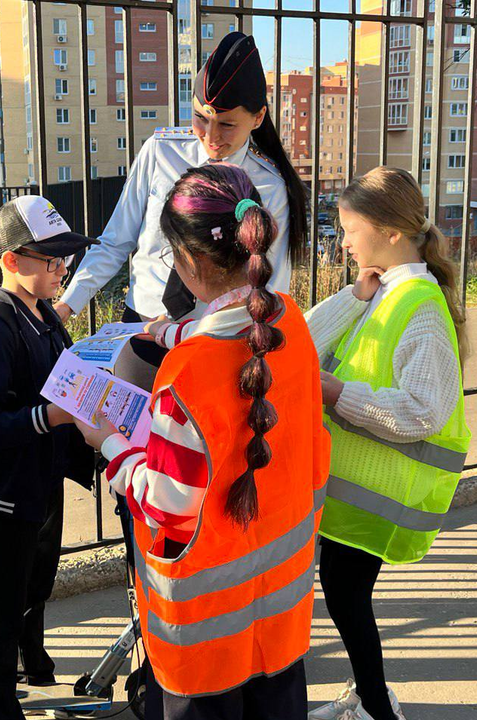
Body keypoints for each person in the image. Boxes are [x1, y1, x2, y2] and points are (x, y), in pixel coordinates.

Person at [78, 163, 330, 720]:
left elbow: (167, 508)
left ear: (187, 261)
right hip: (281, 618)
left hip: (205, 646)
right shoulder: (293, 327)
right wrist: (170, 331)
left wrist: (109, 444)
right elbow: (236, 332)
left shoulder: (186, 379)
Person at [304, 167, 471, 720]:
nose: (344, 240)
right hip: (360, 487)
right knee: (345, 596)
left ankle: (374, 705)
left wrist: (336, 394)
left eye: (350, 228)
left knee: (346, 597)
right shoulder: (386, 292)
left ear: (390, 232)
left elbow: (425, 410)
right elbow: (302, 344)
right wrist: (354, 297)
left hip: (381, 490)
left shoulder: (419, 307)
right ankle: (370, 699)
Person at [55, 31, 310, 336]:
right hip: (142, 323)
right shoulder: (162, 151)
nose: (211, 137)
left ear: (258, 118)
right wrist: (67, 305)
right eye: (201, 118)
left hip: (213, 336)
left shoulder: (269, 186)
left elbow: (273, 284)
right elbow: (116, 239)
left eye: (227, 125)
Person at [0, 195, 97, 720]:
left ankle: (33, 667)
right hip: (1, 495)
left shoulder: (41, 315)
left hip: (37, 483)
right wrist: (52, 418)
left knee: (33, 585)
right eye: (51, 260)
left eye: (65, 260)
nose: (63, 270)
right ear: (11, 261)